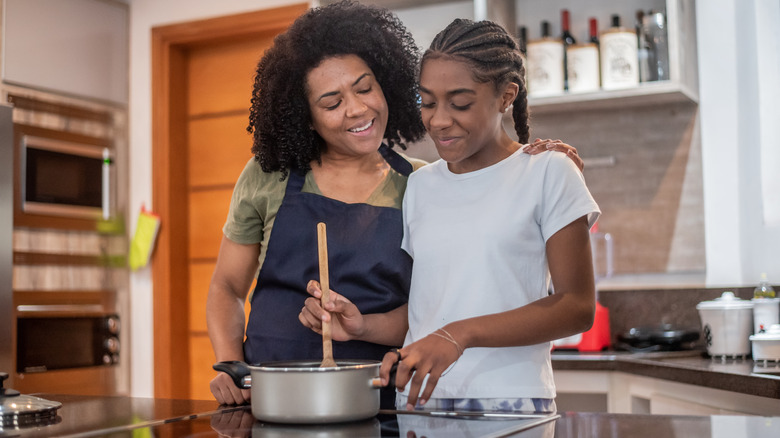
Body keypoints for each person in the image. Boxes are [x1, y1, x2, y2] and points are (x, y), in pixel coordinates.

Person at [209, 0, 583, 408]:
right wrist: (232, 365)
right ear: (305, 116)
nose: (357, 109)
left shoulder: (420, 182)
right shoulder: (270, 175)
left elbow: (432, 307)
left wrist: (538, 163)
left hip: (384, 395)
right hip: (273, 392)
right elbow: (227, 286)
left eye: (365, 88)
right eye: (332, 103)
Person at [302, 18, 599, 414]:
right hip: (420, 402)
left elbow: (577, 306)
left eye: (460, 103)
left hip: (508, 403)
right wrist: (362, 326)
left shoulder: (548, 172)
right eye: (427, 102)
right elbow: (430, 309)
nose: (439, 120)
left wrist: (459, 335)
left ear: (505, 96)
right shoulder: (422, 185)